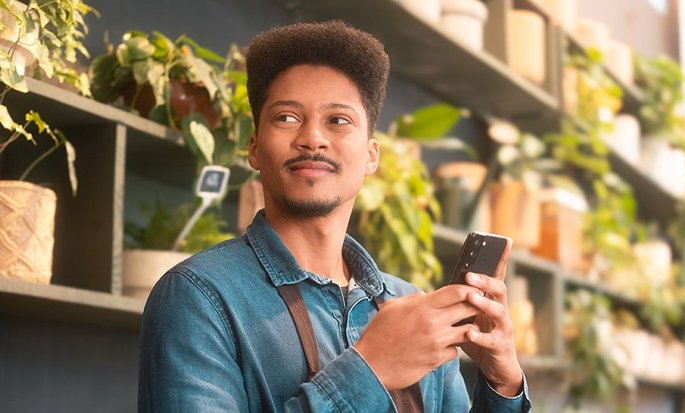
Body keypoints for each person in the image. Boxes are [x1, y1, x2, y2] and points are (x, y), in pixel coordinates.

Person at [138, 21, 531, 412]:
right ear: (254, 149)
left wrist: (503, 384)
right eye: (287, 117)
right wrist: (372, 367)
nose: (312, 138)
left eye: (338, 120)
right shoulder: (197, 297)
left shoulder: (412, 306)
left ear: (371, 156)